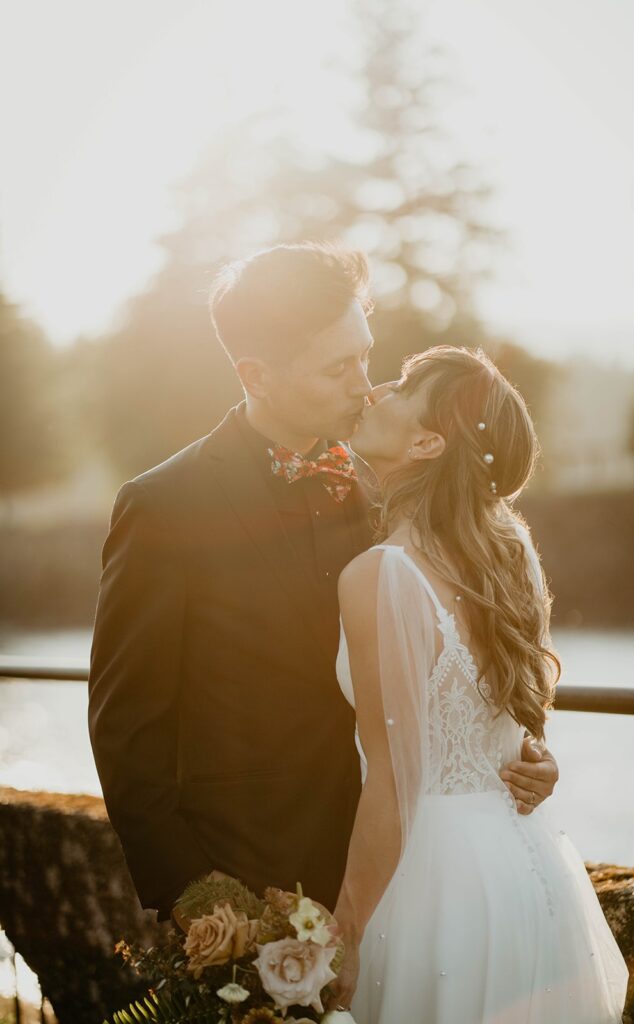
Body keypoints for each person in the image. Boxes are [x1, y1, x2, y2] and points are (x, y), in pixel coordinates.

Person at [88, 242, 559, 930]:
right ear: (257, 374)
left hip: (407, 875)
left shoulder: (395, 489)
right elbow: (127, 731)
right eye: (340, 367)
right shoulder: (164, 505)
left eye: (365, 357)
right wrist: (198, 899)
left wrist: (521, 755)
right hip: (248, 880)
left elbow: (464, 650)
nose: (365, 386)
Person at [329, 345, 628, 1022]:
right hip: (526, 868)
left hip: (436, 883)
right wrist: (532, 757)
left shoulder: (379, 576)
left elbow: (393, 782)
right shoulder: (511, 552)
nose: (376, 390)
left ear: (428, 441)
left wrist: (340, 935)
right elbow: (503, 715)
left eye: (402, 386)